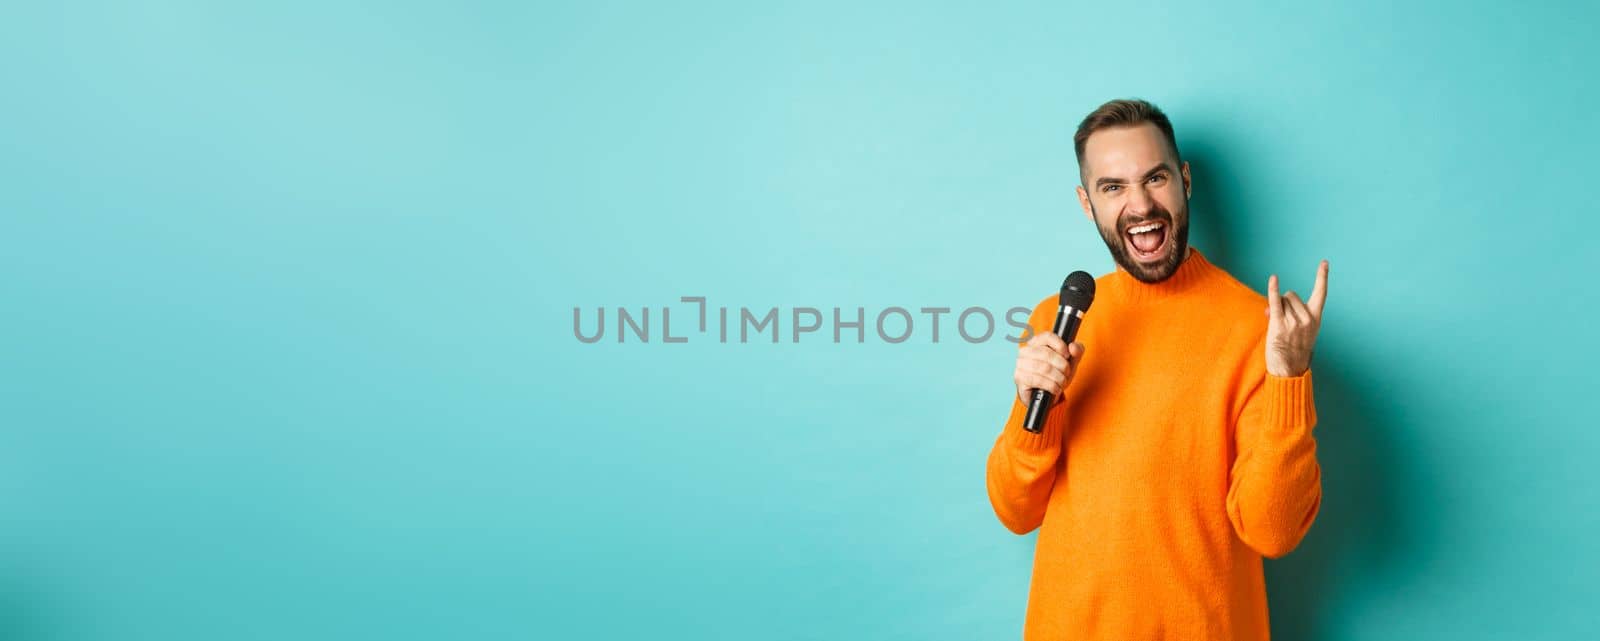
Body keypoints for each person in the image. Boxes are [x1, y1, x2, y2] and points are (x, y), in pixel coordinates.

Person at [985, 98, 1329, 640]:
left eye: (1155, 178)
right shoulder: (1056, 321)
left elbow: (1274, 532)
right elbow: (1016, 511)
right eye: (1113, 187)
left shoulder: (1257, 331)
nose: (1141, 205)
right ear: (1086, 203)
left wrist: (1289, 379)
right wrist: (1037, 408)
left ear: (1184, 180)